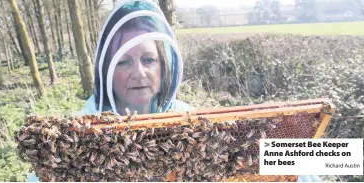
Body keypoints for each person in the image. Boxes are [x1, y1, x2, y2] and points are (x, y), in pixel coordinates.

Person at [26, 0, 321, 181]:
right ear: (106, 69)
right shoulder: (76, 134)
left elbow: (265, 159)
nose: (139, 72)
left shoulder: (190, 123)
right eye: (124, 61)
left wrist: (320, 157)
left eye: (149, 59)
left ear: (165, 66)